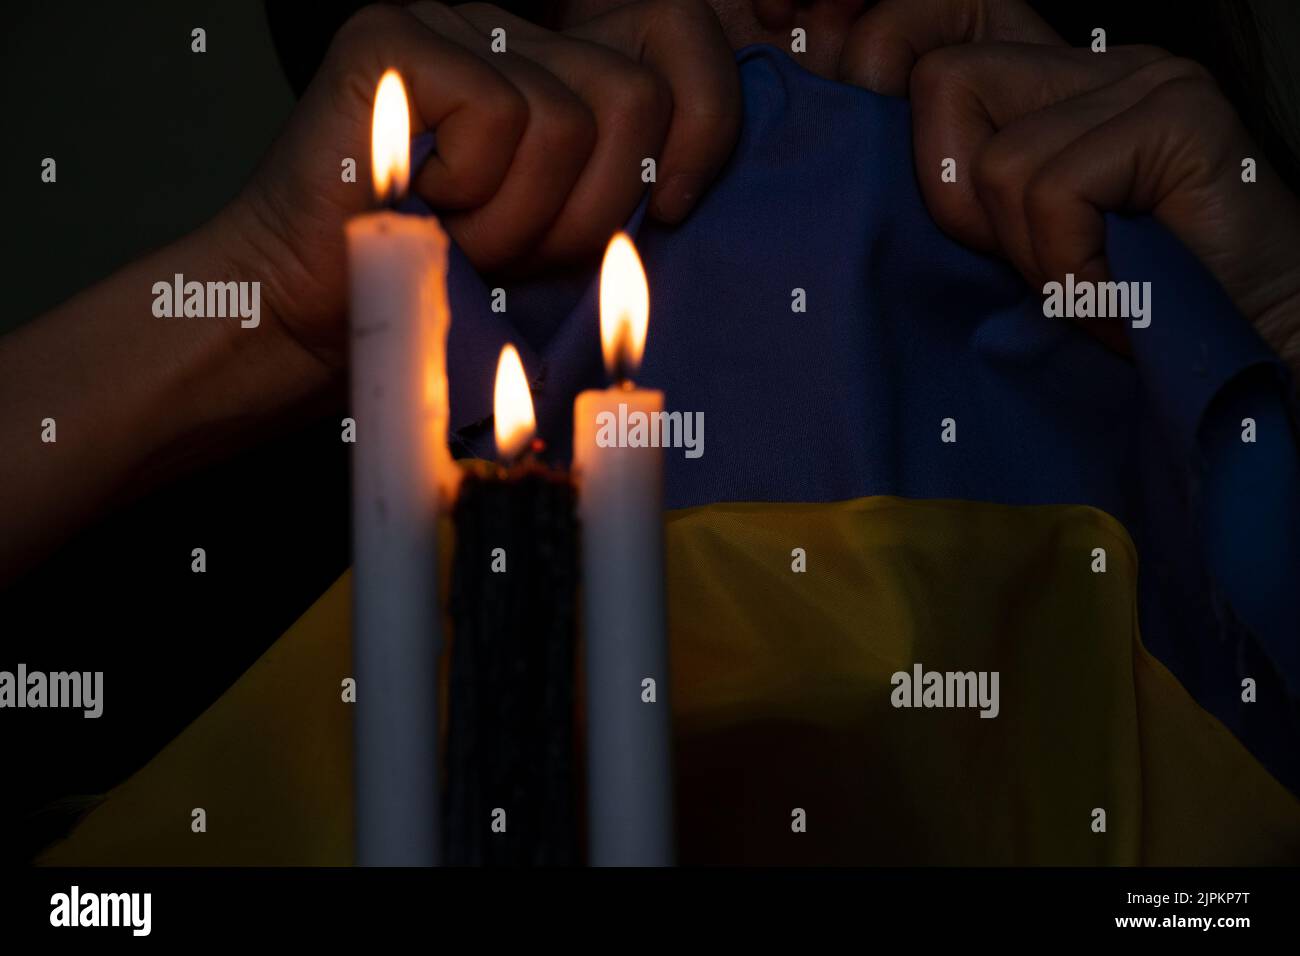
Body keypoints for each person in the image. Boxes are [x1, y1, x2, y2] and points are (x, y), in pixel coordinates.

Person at [6, 0, 1300, 863]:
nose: (780, 68)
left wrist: (1274, 357)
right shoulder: (208, 609)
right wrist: (253, 308)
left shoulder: (1222, 488)